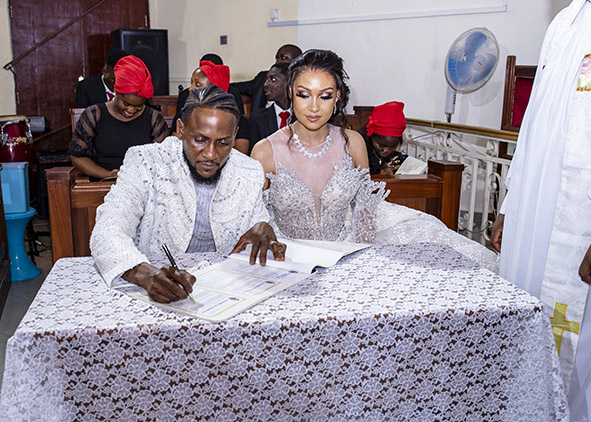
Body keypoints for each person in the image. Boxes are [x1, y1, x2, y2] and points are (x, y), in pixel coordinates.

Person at [251, 49, 496, 270]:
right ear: (291, 93)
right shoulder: (265, 151)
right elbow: (253, 216)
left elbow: (364, 208)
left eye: (324, 96)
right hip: (287, 257)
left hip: (346, 252)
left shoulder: (353, 142)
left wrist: (361, 256)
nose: (314, 107)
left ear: (337, 96)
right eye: (304, 95)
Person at [91, 86, 286, 304]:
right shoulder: (145, 162)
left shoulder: (249, 171)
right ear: (181, 129)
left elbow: (260, 230)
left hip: (227, 293)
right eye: (200, 140)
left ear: (235, 135)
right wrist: (144, 274)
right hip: (158, 286)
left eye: (223, 143)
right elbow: (107, 231)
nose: (211, 154)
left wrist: (263, 227)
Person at [490, 1, 591, 418]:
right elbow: (533, 125)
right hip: (535, 215)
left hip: (579, 224)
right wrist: (509, 206)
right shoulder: (565, 22)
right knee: (528, 318)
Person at [69, 55, 168, 180]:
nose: (131, 110)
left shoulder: (154, 118)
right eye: (126, 104)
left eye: (139, 105)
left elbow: (162, 159)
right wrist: (108, 175)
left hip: (143, 182)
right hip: (102, 181)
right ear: (116, 92)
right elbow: (77, 156)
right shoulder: (94, 115)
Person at [170, 59, 250, 154]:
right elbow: (176, 151)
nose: (191, 89)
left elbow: (239, 156)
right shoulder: (182, 116)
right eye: (191, 83)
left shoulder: (238, 121)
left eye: (197, 84)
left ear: (215, 90)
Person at [231, 44, 302, 113]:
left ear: (298, 62)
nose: (278, 61)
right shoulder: (262, 78)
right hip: (261, 120)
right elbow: (235, 87)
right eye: (277, 58)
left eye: (283, 58)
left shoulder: (303, 84)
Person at [248, 62, 290, 153]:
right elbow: (253, 152)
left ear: (289, 82)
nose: (266, 84)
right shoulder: (258, 117)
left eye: (273, 79)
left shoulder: (302, 116)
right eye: (266, 80)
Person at [362, 101, 408, 175]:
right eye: (381, 145)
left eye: (393, 147)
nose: (386, 151)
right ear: (371, 137)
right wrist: (379, 174)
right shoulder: (360, 147)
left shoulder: (386, 152)